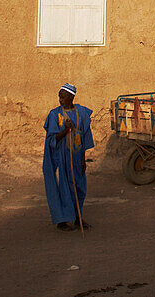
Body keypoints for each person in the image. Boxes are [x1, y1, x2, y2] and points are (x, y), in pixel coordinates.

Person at [43, 83, 94, 231]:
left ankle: (78, 218)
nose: (60, 100)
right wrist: (65, 130)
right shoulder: (55, 115)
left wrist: (83, 160)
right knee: (65, 188)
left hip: (77, 158)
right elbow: (52, 140)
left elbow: (84, 137)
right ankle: (62, 221)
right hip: (62, 158)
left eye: (63, 97)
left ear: (71, 97)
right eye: (59, 96)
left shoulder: (81, 113)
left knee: (79, 188)